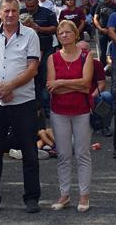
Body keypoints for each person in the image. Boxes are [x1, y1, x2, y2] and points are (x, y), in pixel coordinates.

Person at [0, 0, 41, 214]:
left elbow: (33, 68)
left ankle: (32, 197)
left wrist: (9, 87)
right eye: (6, 11)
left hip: (22, 101)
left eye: (14, 10)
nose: (11, 15)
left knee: (29, 152)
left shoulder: (30, 35)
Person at [46, 21, 93, 213]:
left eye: (67, 32)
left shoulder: (85, 56)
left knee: (82, 154)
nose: (64, 35)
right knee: (63, 155)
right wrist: (74, 85)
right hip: (59, 111)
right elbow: (51, 86)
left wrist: (62, 83)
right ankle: (64, 194)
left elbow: (86, 84)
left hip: (81, 110)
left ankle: (84, 195)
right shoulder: (53, 58)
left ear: (75, 34)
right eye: (60, 33)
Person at [21, 0, 59, 115]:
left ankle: (46, 106)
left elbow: (55, 28)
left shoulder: (47, 12)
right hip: (26, 51)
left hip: (45, 48)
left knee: (45, 77)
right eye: (27, 6)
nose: (29, 8)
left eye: (32, 6)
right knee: (30, 78)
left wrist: (39, 29)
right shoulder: (21, 12)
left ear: (37, 2)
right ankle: (34, 105)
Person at [93, 0, 115, 65]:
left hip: (114, 32)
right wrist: (100, 28)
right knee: (103, 50)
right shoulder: (99, 6)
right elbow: (95, 18)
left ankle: (112, 67)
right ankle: (103, 67)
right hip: (102, 31)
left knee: (113, 50)